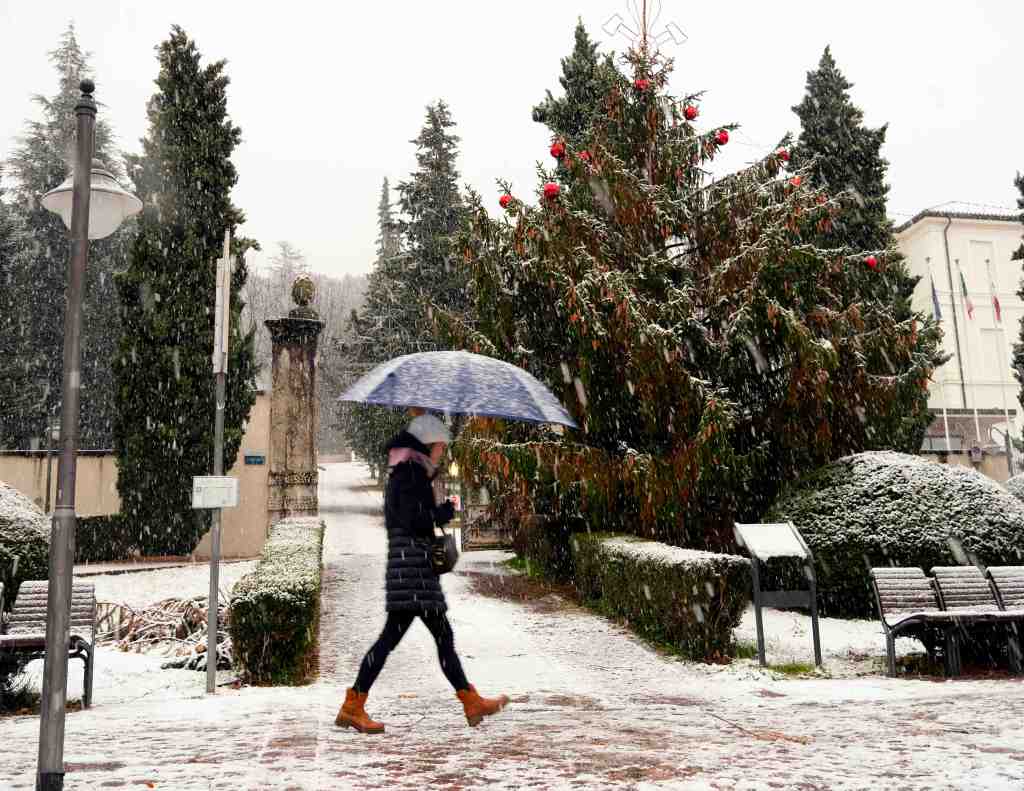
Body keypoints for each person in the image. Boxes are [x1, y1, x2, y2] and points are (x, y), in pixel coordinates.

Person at [336, 413, 510, 733]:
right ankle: (354, 705)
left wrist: (434, 507)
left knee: (418, 638)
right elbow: (413, 520)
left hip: (411, 571)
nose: (442, 451)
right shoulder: (409, 475)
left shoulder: (410, 473)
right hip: (413, 571)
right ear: (426, 445)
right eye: (440, 445)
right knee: (419, 639)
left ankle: (356, 704)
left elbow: (412, 517)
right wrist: (441, 512)